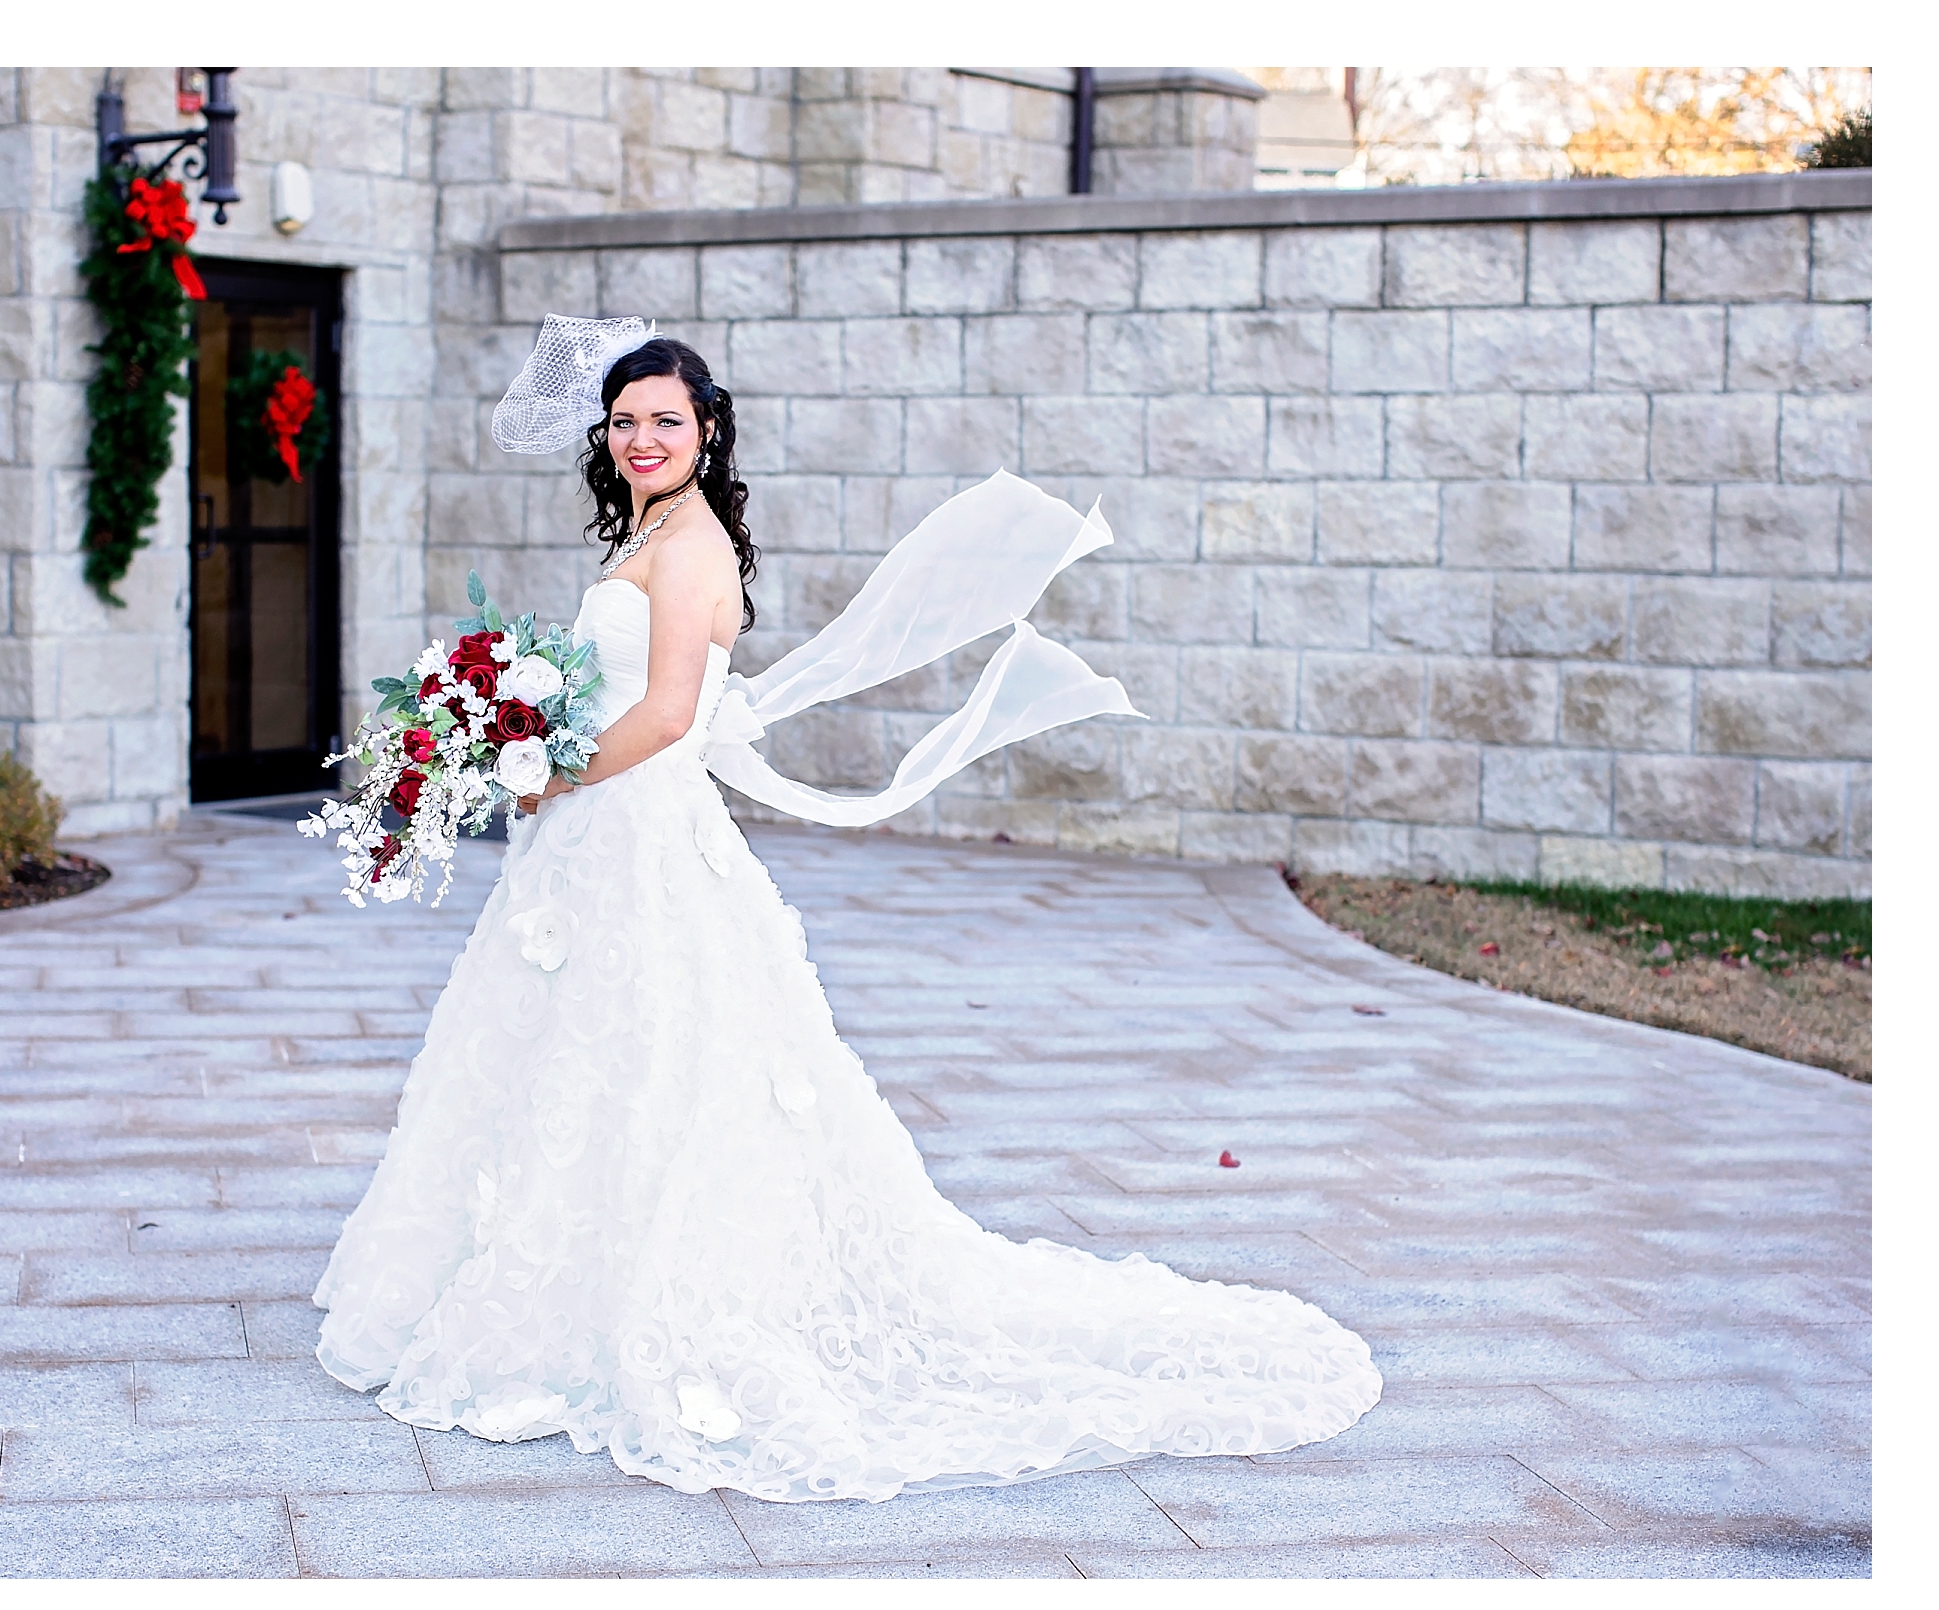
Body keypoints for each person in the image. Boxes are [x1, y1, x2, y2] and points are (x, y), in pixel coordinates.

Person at [310, 322, 1380, 1503]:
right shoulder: (648, 532)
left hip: (636, 828)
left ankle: (646, 1294)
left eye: (667, 419)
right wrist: (510, 716)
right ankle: (548, 1274)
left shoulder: (694, 546)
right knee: (578, 1057)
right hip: (595, 840)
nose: (643, 438)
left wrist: (539, 772)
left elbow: (668, 714)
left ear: (708, 431)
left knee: (651, 1050)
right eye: (624, 422)